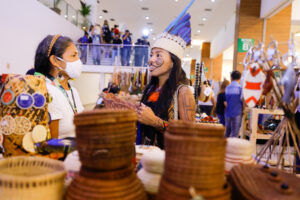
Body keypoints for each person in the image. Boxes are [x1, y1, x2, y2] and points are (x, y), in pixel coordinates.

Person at [137, 3, 196, 149]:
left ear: (173, 62)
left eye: (158, 55)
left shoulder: (183, 92)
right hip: (145, 159)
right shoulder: (151, 89)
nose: (151, 60)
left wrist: (154, 121)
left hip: (168, 161)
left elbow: (189, 134)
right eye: (151, 55)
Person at [34, 34, 84, 139]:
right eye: (73, 56)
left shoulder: (73, 91)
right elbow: (53, 145)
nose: (78, 60)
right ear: (55, 61)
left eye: (77, 55)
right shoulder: (49, 91)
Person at [224, 71, 243, 137]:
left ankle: (223, 146)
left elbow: (226, 102)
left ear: (231, 77)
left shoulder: (227, 88)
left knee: (227, 133)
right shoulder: (240, 88)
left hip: (228, 113)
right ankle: (232, 147)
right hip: (237, 112)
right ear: (240, 78)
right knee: (235, 133)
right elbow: (243, 100)